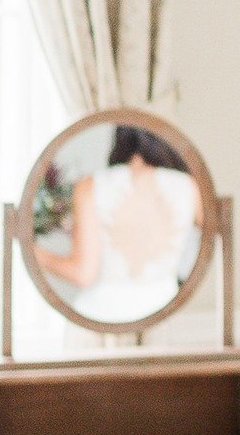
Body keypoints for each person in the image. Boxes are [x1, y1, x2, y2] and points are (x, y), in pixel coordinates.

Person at [33, 124, 205, 324]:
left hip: (100, 316)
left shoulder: (91, 186)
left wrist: (34, 252)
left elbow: (83, 274)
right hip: (167, 313)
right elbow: (210, 241)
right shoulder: (190, 186)